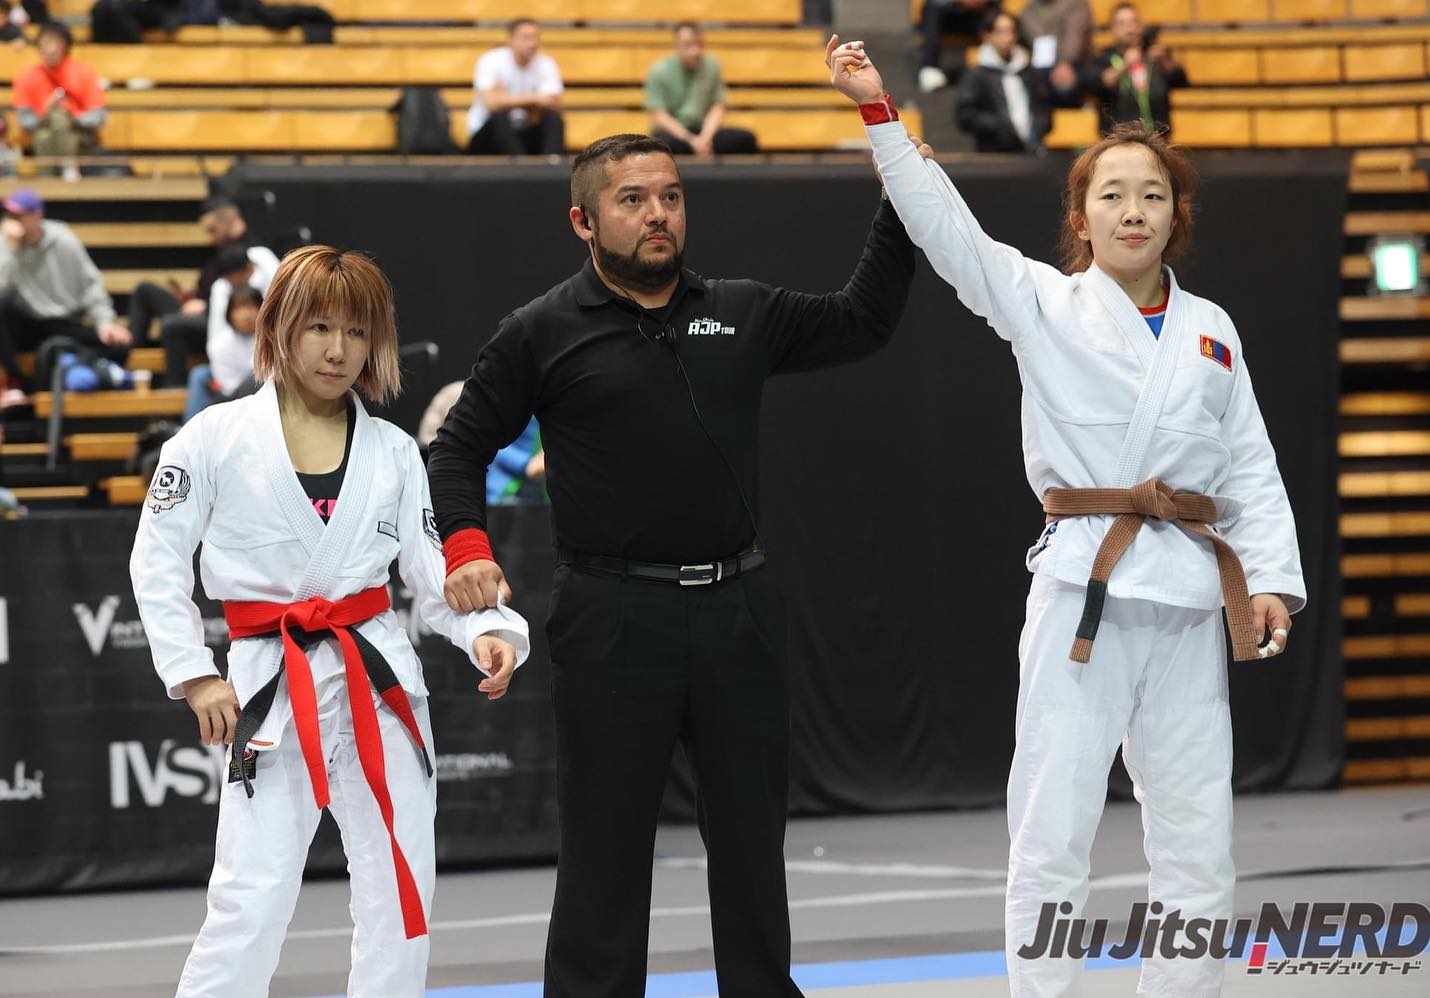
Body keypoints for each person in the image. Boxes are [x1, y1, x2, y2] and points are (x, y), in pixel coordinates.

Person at [828, 38, 1305, 998]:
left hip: (1187, 599)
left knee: (1199, 845)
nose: (1134, 211)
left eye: (1153, 196)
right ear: (1080, 218)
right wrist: (881, 116)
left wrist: (1270, 580)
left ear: (1176, 218)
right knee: (1051, 835)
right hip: (1085, 590)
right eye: (1113, 194)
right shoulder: (1044, 302)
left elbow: (1250, 462)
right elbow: (949, 232)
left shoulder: (1212, 329)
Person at [427, 132, 916, 996]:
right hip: (612, 615)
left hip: (739, 609)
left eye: (671, 196)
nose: (658, 214)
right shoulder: (540, 330)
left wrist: (901, 202)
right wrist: (466, 547)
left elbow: (862, 322)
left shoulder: (742, 310)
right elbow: (457, 448)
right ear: (583, 221)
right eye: (633, 200)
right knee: (604, 853)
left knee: (752, 848)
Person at [129, 245, 530, 998]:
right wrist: (192, 673)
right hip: (270, 684)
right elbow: (156, 561)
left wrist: (487, 631)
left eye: (356, 331)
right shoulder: (210, 439)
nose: (338, 350)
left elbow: (430, 573)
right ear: (278, 327)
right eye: (319, 327)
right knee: (250, 898)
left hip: (379, 682)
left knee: (401, 892)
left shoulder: (395, 451)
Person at [0, 188, 130, 406]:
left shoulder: (62, 239)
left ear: (37, 215)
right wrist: (12, 252)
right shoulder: (6, 244)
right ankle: (15, 382)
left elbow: (90, 285)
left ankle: (92, 367)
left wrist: (104, 322)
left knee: (120, 345)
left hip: (65, 322)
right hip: (28, 324)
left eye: (19, 215)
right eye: (10, 215)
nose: (13, 221)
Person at [141, 199, 269, 388]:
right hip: (218, 328)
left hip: (253, 338)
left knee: (174, 330)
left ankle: (173, 389)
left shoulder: (260, 257)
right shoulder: (220, 279)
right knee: (145, 290)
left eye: (213, 230)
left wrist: (204, 306)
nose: (209, 238)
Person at [644, 22, 757, 158]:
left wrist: (705, 138)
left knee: (745, 140)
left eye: (699, 45)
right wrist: (691, 140)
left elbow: (717, 107)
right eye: (688, 45)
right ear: (677, 46)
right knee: (660, 145)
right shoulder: (659, 70)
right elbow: (660, 116)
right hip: (676, 134)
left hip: (704, 132)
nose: (695, 51)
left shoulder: (712, 66)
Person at [1082, 2, 1188, 136]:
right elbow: (1095, 85)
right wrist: (1125, 65)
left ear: (1141, 26)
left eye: (1134, 22)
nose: (1129, 28)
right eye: (1122, 23)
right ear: (1112, 29)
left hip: (1157, 137)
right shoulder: (1103, 58)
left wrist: (1165, 61)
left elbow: (1181, 81)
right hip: (1117, 138)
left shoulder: (1155, 56)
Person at [955, 8, 1052, 153]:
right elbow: (965, 116)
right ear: (987, 35)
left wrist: (1038, 126)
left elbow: (1044, 107)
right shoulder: (976, 74)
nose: (1008, 38)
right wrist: (1000, 126)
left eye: (1011, 31)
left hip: (1031, 151)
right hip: (993, 154)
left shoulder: (1028, 71)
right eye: (1000, 32)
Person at [12, 22, 106, 170]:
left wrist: (71, 116)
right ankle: (67, 172)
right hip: (42, 133)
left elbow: (98, 116)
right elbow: (25, 121)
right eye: (46, 43)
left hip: (80, 136)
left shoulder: (83, 72)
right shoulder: (27, 77)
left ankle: (59, 175)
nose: (51, 49)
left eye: (56, 43)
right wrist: (45, 113)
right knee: (45, 134)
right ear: (39, 46)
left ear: (66, 46)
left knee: (59, 119)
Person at [465, 18, 565, 156]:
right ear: (510, 40)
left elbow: (553, 104)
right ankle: (521, 166)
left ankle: (553, 163)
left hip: (525, 130)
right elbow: (492, 104)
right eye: (525, 38)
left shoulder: (546, 63)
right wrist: (534, 99)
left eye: (535, 37)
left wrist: (506, 100)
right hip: (486, 136)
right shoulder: (490, 60)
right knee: (499, 118)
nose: (532, 43)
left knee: (553, 119)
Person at [180, 283, 260, 424]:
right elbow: (229, 391)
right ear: (229, 313)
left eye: (250, 307)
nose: (245, 315)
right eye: (239, 309)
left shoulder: (276, 338)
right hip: (234, 400)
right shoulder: (220, 345)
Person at [1017, 0, 1091, 107]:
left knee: (1063, 89)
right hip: (1039, 64)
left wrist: (1065, 62)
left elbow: (1074, 38)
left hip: (1075, 64)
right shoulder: (1029, 9)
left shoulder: (1076, 4)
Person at [916, 0, 999, 93]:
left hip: (979, 11)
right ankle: (929, 67)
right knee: (932, 8)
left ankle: (997, 60)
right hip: (951, 11)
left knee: (995, 13)